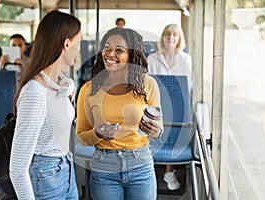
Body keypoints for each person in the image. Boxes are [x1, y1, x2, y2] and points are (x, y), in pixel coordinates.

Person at [76, 27, 163, 200]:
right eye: (107, 48)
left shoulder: (149, 84)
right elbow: (82, 137)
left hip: (141, 165)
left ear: (132, 55)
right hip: (104, 167)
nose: (110, 54)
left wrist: (156, 131)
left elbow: (159, 128)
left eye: (119, 50)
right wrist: (97, 134)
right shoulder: (88, 89)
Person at [9, 10, 81, 200]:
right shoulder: (34, 93)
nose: (80, 48)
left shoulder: (59, 82)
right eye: (78, 42)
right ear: (67, 44)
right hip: (45, 177)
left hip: (66, 170)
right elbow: (17, 169)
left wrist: (69, 87)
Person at [147, 23, 192, 191]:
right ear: (162, 37)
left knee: (175, 122)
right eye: (167, 34)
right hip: (156, 105)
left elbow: (188, 88)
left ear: (179, 38)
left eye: (175, 34)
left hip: (178, 105)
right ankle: (148, 170)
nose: (171, 37)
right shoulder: (152, 59)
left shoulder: (185, 59)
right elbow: (149, 88)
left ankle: (169, 171)